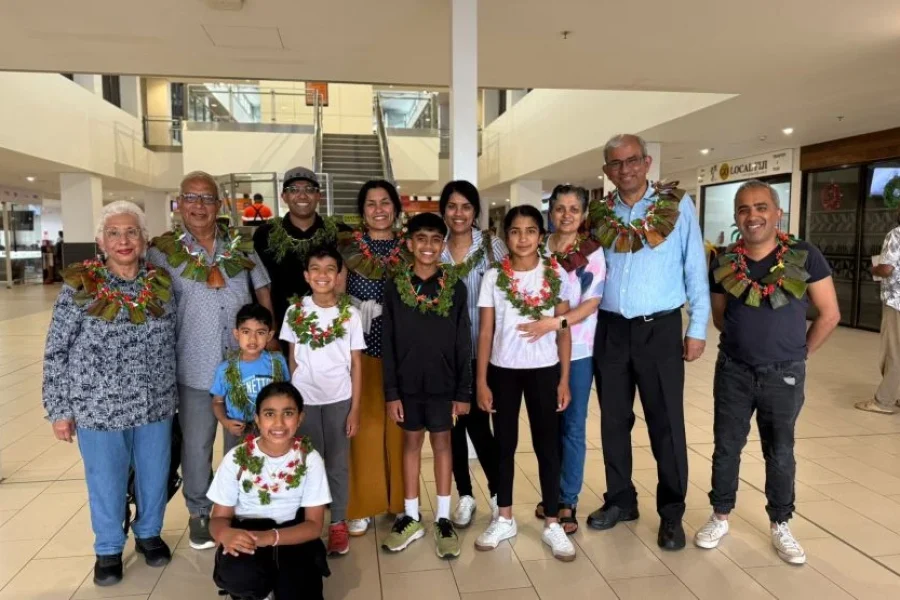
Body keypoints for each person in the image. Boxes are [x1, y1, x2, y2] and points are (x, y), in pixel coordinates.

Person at [696, 180, 839, 564]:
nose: (752, 215)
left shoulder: (805, 255)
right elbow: (720, 317)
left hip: (784, 373)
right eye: (743, 209)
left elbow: (829, 314)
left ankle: (780, 523)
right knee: (726, 446)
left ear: (778, 213)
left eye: (761, 207)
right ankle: (720, 515)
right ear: (736, 217)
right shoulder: (723, 261)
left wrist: (799, 354)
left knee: (780, 451)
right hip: (734, 370)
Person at [43, 201, 176, 586]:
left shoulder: (161, 284)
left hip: (155, 401)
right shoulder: (80, 287)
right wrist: (59, 408)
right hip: (98, 405)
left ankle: (149, 533)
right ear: (101, 242)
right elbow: (56, 349)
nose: (123, 240)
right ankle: (108, 547)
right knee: (106, 480)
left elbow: (175, 338)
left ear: (144, 239)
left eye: (131, 231)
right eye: (114, 233)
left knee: (155, 474)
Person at [586, 134, 710, 551]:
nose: (625, 169)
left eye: (632, 160)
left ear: (647, 162)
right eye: (616, 163)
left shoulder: (677, 206)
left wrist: (697, 328)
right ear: (607, 171)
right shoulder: (600, 212)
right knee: (613, 421)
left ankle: (672, 513)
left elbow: (694, 267)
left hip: (660, 330)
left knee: (666, 424)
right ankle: (621, 500)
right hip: (610, 330)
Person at [147, 171, 276, 551]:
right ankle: (200, 512)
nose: (199, 206)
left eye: (207, 198)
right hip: (194, 363)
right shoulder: (162, 252)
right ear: (180, 204)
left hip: (243, 362)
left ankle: (238, 504)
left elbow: (262, 289)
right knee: (197, 444)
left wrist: (269, 339)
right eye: (191, 197)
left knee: (242, 438)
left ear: (219, 205)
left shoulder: (240, 246)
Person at [474, 205, 577, 562]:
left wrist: (564, 378)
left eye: (530, 231)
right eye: (515, 231)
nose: (523, 238)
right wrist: (482, 380)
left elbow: (564, 328)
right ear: (506, 237)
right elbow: (485, 331)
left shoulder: (555, 273)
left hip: (545, 370)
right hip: (503, 370)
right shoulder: (493, 277)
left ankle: (552, 522)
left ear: (540, 235)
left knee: (547, 446)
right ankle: (504, 517)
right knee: (504, 445)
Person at [380, 212, 472, 558]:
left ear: (443, 244)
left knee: (443, 444)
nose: (428, 246)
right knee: (411, 444)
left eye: (435, 239)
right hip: (406, 385)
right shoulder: (395, 286)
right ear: (409, 243)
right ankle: (411, 515)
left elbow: (463, 341)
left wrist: (462, 392)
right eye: (421, 239)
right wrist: (391, 393)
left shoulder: (455, 286)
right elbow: (388, 342)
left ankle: (444, 519)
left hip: (444, 383)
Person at [518, 184, 605, 535]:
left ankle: (568, 498)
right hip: (541, 352)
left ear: (583, 215)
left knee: (571, 425)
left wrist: (556, 323)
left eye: (574, 209)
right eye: (559, 208)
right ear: (550, 212)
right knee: (546, 426)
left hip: (579, 350)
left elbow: (592, 302)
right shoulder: (538, 248)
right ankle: (551, 493)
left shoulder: (591, 252)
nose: (566, 215)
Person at [208, 382, 331, 600]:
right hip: (248, 533)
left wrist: (269, 537)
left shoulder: (309, 458)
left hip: (292, 534)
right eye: (269, 414)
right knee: (241, 575)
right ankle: (257, 590)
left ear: (300, 418)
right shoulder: (236, 458)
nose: (279, 423)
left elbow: (313, 526)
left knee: (297, 591)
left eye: (288, 413)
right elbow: (218, 519)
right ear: (257, 419)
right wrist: (225, 534)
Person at [279, 245, 365, 556]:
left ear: (339, 275)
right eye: (315, 269)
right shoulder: (295, 312)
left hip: (340, 399)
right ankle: (309, 523)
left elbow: (356, 363)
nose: (323, 275)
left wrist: (355, 409)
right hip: (305, 401)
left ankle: (338, 522)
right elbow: (292, 358)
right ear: (306, 275)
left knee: (338, 464)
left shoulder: (350, 314)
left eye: (330, 269)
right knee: (307, 463)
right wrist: (293, 403)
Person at [340, 180, 408, 536]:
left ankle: (401, 503)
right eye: (371, 203)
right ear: (362, 210)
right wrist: (353, 309)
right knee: (364, 428)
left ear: (395, 208)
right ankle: (363, 504)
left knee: (400, 429)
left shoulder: (410, 247)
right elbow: (334, 297)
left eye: (385, 202)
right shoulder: (348, 249)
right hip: (360, 353)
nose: (379, 209)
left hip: (403, 354)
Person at [439, 180, 504, 528]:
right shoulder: (435, 249)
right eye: (452, 206)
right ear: (443, 211)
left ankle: (497, 493)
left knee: (480, 425)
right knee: (453, 428)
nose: (458, 213)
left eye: (466, 206)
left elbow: (511, 291)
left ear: (475, 211)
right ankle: (465, 495)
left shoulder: (493, 247)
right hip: (446, 355)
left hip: (486, 353)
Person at [253, 167, 345, 342]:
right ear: (284, 196)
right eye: (294, 190)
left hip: (328, 330)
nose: (302, 195)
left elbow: (343, 281)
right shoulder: (266, 234)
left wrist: (339, 323)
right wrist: (269, 331)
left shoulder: (337, 232)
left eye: (309, 189)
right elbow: (261, 285)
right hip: (280, 330)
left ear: (318, 196)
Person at [211, 304, 289, 453]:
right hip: (238, 430)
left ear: (269, 336)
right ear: (236, 334)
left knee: (271, 464)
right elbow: (217, 401)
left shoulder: (277, 362)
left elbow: (286, 395)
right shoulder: (226, 368)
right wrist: (226, 422)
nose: (253, 339)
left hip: (271, 429)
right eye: (246, 332)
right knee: (237, 466)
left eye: (260, 332)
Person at [857, 212, 900, 414]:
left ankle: (884, 401)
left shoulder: (896, 234)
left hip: (897, 302)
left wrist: (873, 269)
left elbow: (886, 269)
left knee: (894, 352)